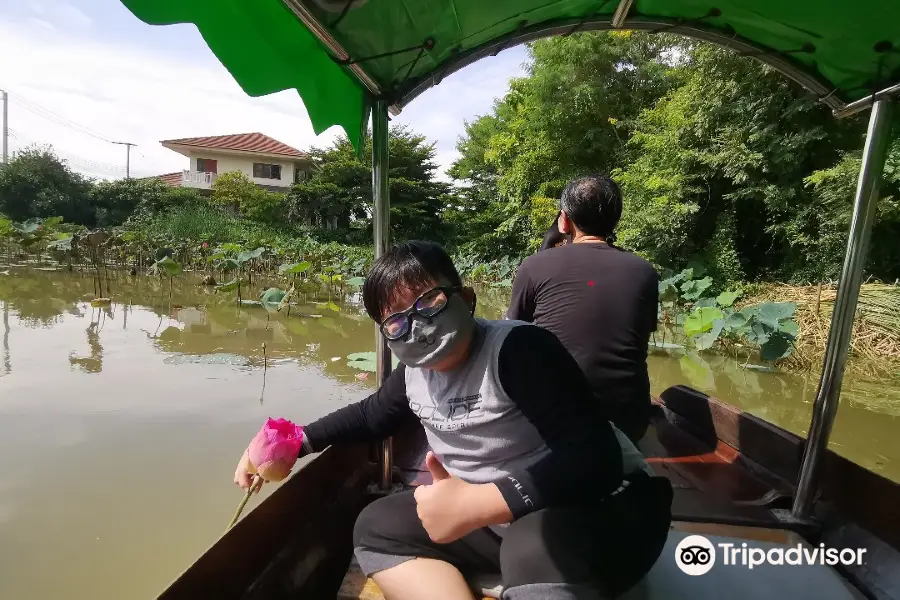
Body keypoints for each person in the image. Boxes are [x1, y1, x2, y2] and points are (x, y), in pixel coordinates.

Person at [234, 241, 672, 600]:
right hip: (503, 523)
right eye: (396, 323)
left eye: (430, 302)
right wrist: (292, 441)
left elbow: (594, 459)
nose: (417, 327)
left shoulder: (519, 352)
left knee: (533, 542)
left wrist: (474, 505)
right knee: (376, 526)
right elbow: (372, 415)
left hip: (610, 511)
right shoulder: (414, 373)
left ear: (465, 298)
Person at [507, 175, 659, 444]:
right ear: (615, 220)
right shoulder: (644, 271)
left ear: (563, 220)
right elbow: (638, 341)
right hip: (630, 422)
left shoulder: (534, 266)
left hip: (557, 421)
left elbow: (513, 334)